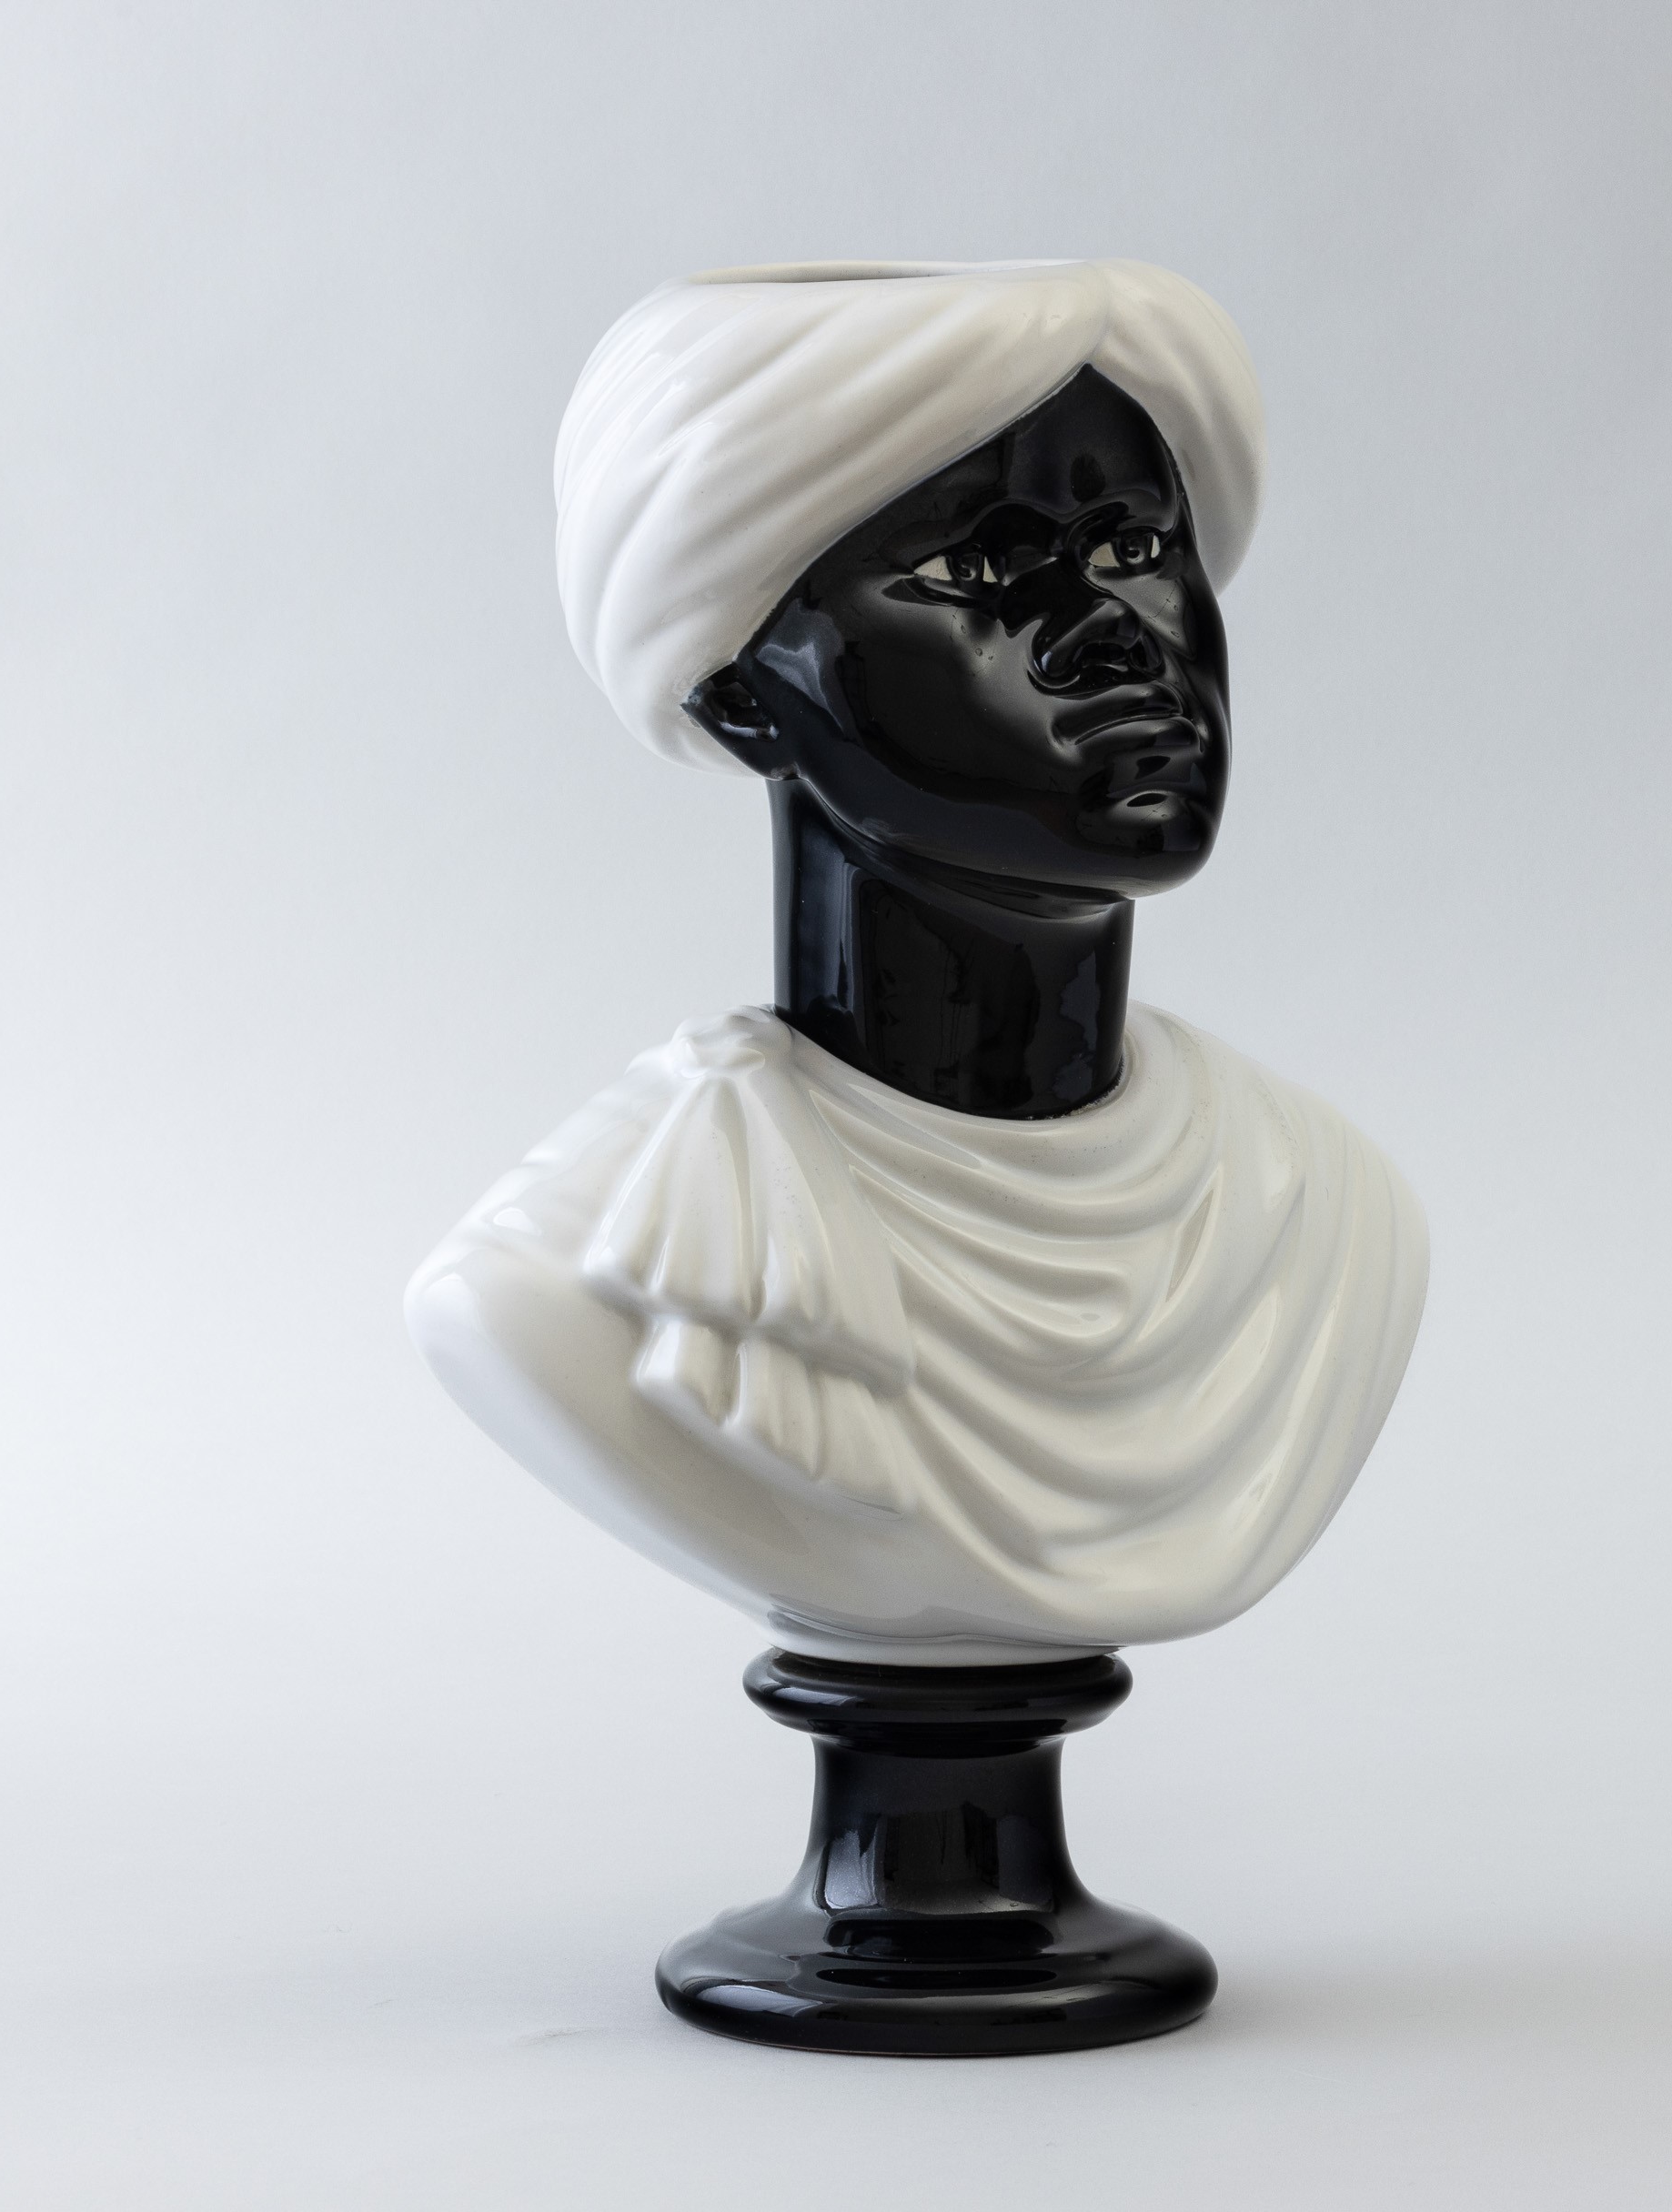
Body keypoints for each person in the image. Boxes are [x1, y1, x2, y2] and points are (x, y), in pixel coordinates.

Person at [408, 260, 1428, 1666]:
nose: (1107, 631)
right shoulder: (577, 1272)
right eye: (983, 572)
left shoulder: (1321, 1210)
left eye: (1135, 544)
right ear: (740, 693)